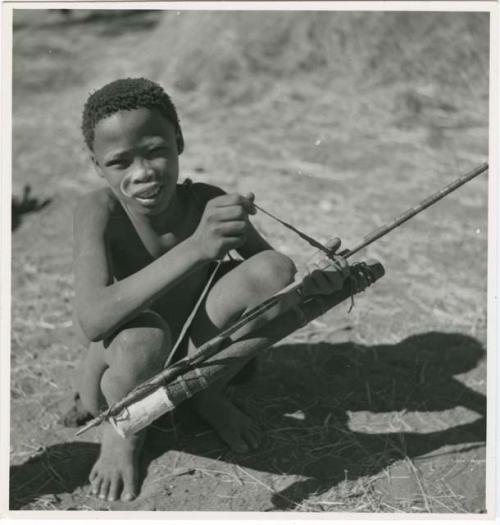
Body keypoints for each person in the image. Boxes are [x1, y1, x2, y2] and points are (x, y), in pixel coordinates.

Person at [73, 77, 352, 503]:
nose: (143, 172)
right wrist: (195, 248)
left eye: (155, 151)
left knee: (273, 270)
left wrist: (318, 281)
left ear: (179, 141)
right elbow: (93, 320)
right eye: (120, 162)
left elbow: (275, 282)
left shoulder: (207, 202)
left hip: (193, 355)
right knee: (143, 340)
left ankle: (206, 394)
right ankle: (124, 433)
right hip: (121, 374)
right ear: (96, 166)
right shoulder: (98, 211)